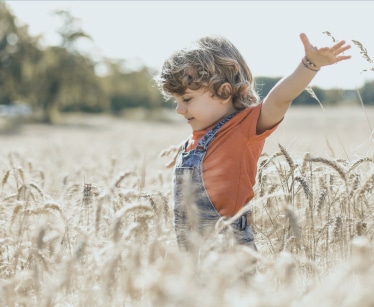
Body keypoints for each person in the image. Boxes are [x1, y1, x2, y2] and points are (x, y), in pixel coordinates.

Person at [155, 33, 351, 251]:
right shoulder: (195, 139)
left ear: (224, 91)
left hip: (229, 248)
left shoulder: (244, 128)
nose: (179, 109)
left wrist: (310, 64)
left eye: (187, 99)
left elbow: (279, 99)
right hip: (192, 251)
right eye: (177, 100)